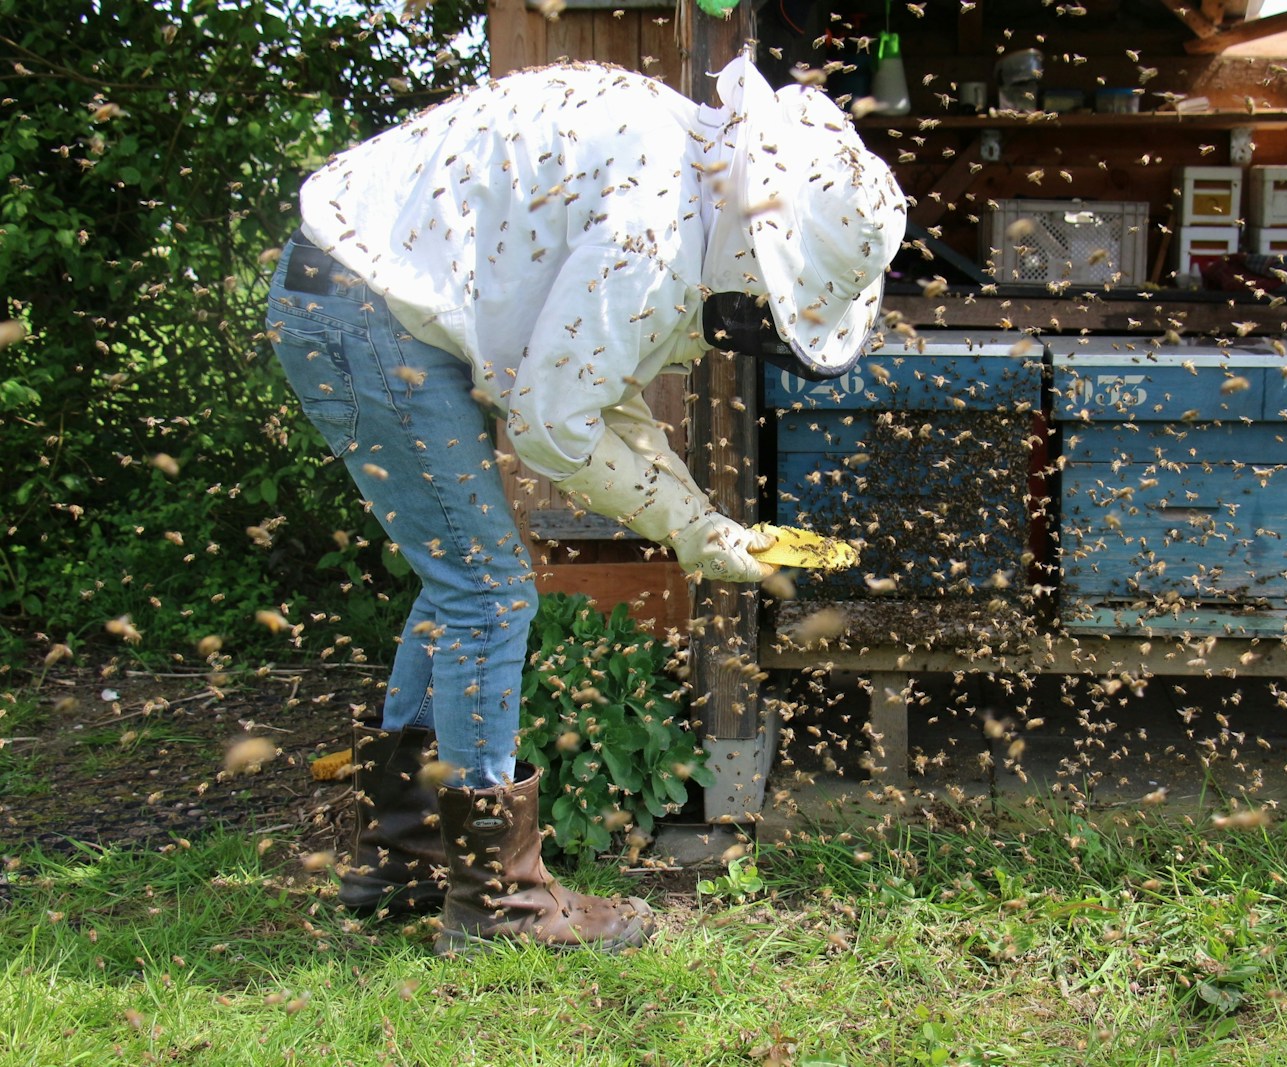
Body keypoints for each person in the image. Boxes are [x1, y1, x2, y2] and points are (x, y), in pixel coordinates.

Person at [263, 53, 906, 955]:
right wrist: (690, 527)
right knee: (488, 590)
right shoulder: (654, 227)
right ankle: (499, 905)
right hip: (360, 312)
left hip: (357, 295)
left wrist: (699, 518)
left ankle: (399, 851)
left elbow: (597, 387)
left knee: (462, 575)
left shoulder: (681, 160)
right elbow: (554, 427)